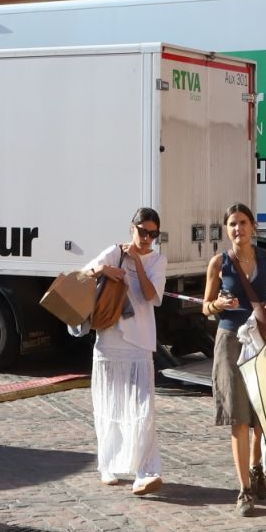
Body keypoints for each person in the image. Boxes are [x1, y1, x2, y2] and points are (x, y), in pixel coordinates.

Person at [201, 202, 266, 516]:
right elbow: (205, 306)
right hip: (230, 342)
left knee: (261, 415)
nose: (238, 229)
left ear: (253, 226)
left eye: (243, 223)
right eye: (232, 224)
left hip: (261, 340)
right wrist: (219, 304)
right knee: (238, 416)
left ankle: (255, 466)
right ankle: (244, 490)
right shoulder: (218, 263)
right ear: (227, 229)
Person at [83, 206, 167, 496]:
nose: (147, 238)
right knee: (109, 406)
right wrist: (105, 269)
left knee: (142, 409)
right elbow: (83, 275)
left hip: (140, 341)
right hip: (109, 339)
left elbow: (150, 295)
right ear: (132, 228)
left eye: (153, 234)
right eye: (143, 231)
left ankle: (146, 471)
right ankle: (108, 464)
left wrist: (137, 263)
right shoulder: (113, 252)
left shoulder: (158, 260)